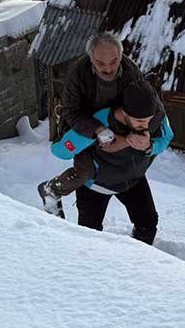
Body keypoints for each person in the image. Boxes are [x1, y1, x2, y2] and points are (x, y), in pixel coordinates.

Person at [44, 80, 174, 245]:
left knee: (148, 224)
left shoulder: (156, 117)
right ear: (124, 112)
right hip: (97, 185)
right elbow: (59, 151)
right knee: (89, 237)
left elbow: (167, 137)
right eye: (140, 121)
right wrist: (92, 135)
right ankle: (52, 190)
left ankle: (139, 264)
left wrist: (151, 146)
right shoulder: (101, 121)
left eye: (148, 119)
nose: (146, 125)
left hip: (133, 180)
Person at [37, 31, 143, 218]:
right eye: (100, 64)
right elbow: (71, 111)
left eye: (113, 62)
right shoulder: (78, 74)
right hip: (84, 126)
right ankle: (52, 190)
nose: (108, 69)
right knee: (86, 172)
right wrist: (97, 129)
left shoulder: (131, 72)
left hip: (116, 125)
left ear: (120, 56)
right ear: (91, 59)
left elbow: (139, 103)